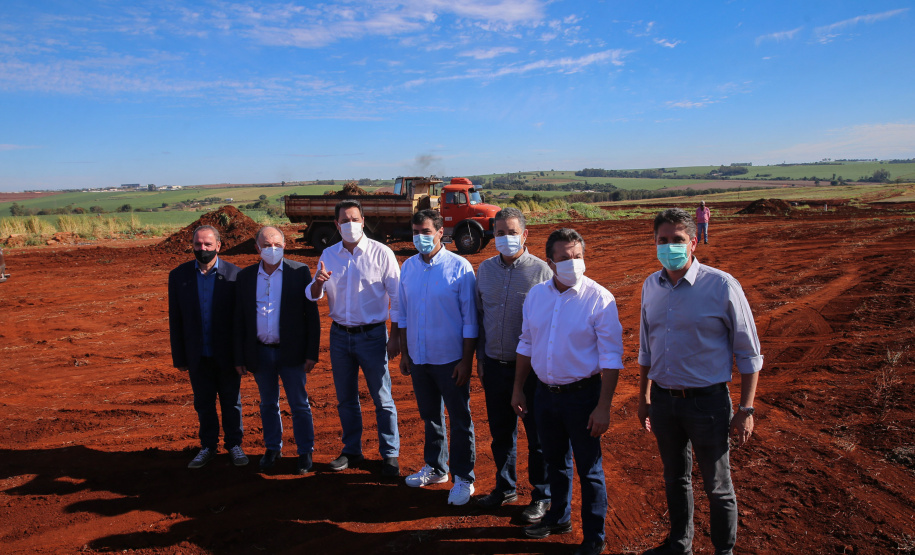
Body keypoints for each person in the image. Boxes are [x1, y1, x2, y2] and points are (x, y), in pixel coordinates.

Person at [637, 208, 762, 555]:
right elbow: (646, 349)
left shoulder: (721, 285)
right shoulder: (651, 286)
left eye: (677, 239)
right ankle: (680, 546)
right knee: (674, 478)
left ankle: (724, 551)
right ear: (655, 242)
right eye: (662, 240)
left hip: (707, 404)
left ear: (693, 242)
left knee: (717, 485)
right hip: (664, 402)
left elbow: (749, 353)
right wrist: (644, 397)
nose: (669, 246)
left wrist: (746, 409)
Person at [511, 228, 624, 555]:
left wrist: (603, 406)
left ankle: (594, 537)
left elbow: (611, 357)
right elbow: (526, 342)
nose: (573, 263)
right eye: (564, 258)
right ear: (550, 262)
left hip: (583, 396)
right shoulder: (536, 296)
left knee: (590, 469)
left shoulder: (599, 298)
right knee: (554, 462)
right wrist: (518, 388)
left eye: (577, 256)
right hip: (544, 395)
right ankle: (559, 518)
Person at [307, 200, 402, 477]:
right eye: (344, 220)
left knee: (382, 398)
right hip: (339, 335)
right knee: (346, 399)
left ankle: (390, 454)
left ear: (363, 220)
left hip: (373, 336)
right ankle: (352, 450)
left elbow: (397, 298)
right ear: (336, 225)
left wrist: (396, 336)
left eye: (355, 219)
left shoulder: (381, 253)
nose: (350, 224)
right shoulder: (329, 254)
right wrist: (318, 282)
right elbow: (314, 294)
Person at [475, 207, 553, 523]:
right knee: (501, 434)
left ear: (525, 234)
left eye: (511, 232)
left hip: (532, 373)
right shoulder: (484, 270)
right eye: (499, 233)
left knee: (537, 437)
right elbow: (480, 318)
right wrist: (481, 359)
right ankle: (505, 488)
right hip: (494, 367)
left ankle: (542, 495)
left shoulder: (543, 272)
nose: (505, 238)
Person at [398, 209, 478, 506]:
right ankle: (435, 468)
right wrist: (405, 353)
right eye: (416, 231)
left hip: (450, 360)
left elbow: (470, 320)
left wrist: (466, 361)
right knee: (430, 416)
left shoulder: (460, 267)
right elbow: (403, 314)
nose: (420, 237)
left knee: (459, 419)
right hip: (419, 358)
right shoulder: (408, 267)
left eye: (426, 231)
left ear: (441, 232)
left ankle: (464, 477)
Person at [234, 226, 321, 475]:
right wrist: (239, 356)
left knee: (299, 404)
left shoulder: (299, 272)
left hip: (292, 352)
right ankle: (273, 448)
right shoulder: (246, 276)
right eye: (266, 245)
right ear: (257, 248)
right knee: (267, 403)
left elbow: (311, 315)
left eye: (277, 245)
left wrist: (311, 353)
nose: (272, 249)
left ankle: (305, 451)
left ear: (284, 246)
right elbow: (239, 319)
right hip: (260, 352)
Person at [168, 225, 246, 469]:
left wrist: (242, 356)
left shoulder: (236, 275)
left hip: (227, 356)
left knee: (231, 403)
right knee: (203, 404)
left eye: (208, 244)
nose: (202, 248)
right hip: (197, 355)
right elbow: (175, 320)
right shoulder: (179, 276)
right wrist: (180, 357)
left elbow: (241, 321)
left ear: (218, 246)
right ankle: (208, 447)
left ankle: (234, 445)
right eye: (198, 244)